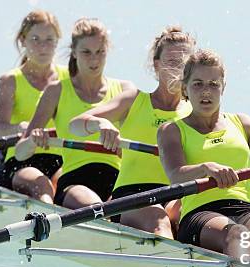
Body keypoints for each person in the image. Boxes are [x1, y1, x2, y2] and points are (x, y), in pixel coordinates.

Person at [157, 49, 250, 267]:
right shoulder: (171, 130)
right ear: (185, 88)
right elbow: (175, 175)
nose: (206, 91)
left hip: (247, 209)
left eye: (213, 84)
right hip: (201, 213)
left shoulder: (242, 124)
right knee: (237, 234)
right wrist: (206, 168)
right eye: (198, 84)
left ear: (223, 88)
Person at [68, 26, 195, 237]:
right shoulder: (134, 100)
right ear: (156, 65)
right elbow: (76, 125)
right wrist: (101, 125)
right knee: (159, 220)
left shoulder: (195, 112)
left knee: (197, 216)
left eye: (185, 64)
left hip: (176, 196)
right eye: (172, 62)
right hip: (132, 196)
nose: (179, 70)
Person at [15, 18, 134, 208]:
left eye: (100, 52)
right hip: (74, 183)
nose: (94, 60)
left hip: (118, 182)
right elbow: (20, 153)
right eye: (86, 52)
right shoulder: (56, 91)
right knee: (96, 206)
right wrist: (32, 141)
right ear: (74, 53)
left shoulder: (125, 89)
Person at [0, 10, 66, 203]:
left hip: (62, 157)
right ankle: (48, 226)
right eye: (36, 39)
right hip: (22, 158)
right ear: (23, 41)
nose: (43, 46)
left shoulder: (69, 79)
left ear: (57, 41)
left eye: (49, 40)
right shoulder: (9, 81)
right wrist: (21, 127)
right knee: (42, 186)